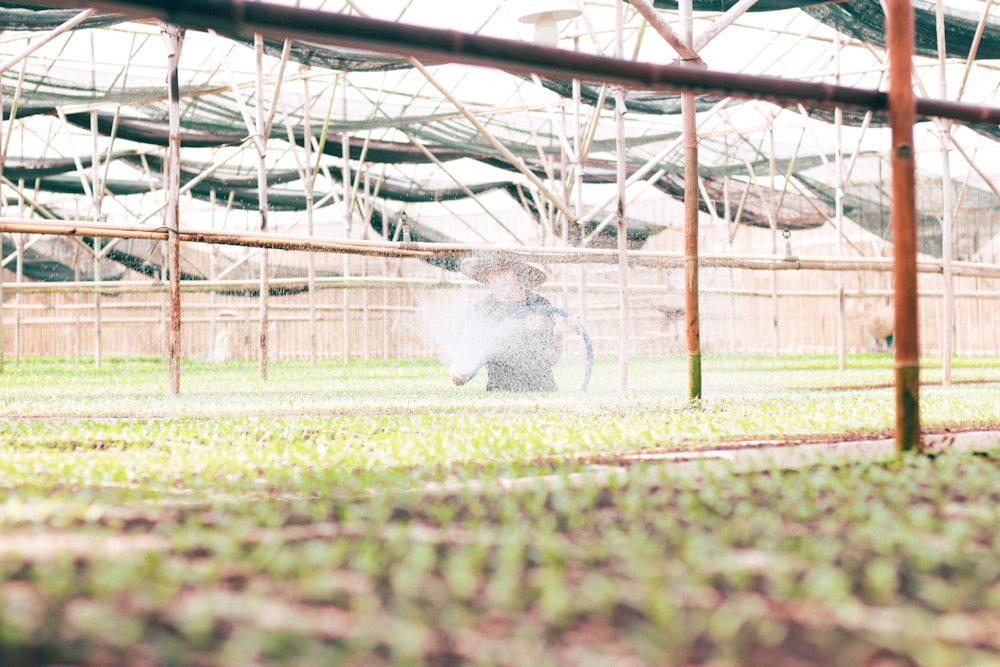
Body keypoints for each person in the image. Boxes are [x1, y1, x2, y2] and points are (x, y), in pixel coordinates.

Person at [452, 252, 561, 392]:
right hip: (500, 390)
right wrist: (458, 371)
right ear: (487, 276)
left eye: (504, 269)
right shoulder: (480, 311)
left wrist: (561, 333)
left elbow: (552, 356)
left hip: (543, 389)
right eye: (492, 270)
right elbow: (466, 348)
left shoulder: (539, 304)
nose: (498, 275)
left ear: (518, 272)